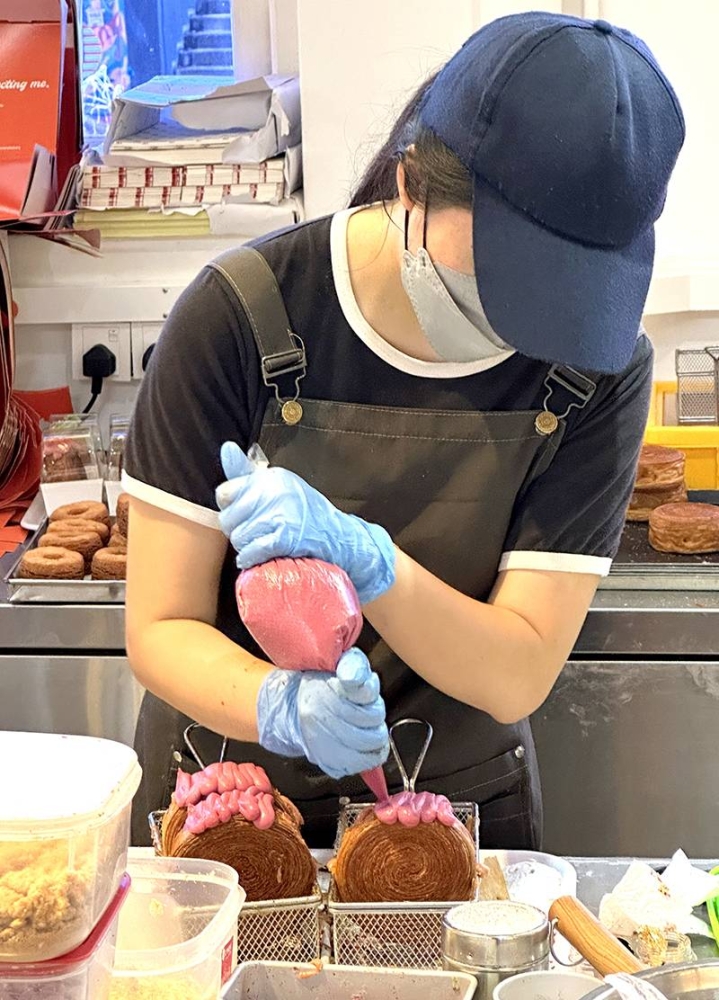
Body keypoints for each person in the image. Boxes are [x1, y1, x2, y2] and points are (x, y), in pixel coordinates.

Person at [123, 11, 684, 848]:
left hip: (455, 810)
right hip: (226, 802)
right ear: (412, 185)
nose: (527, 329)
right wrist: (278, 706)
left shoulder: (599, 365)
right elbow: (159, 626)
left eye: (569, 292)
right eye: (506, 280)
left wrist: (372, 563)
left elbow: (519, 666)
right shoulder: (241, 314)